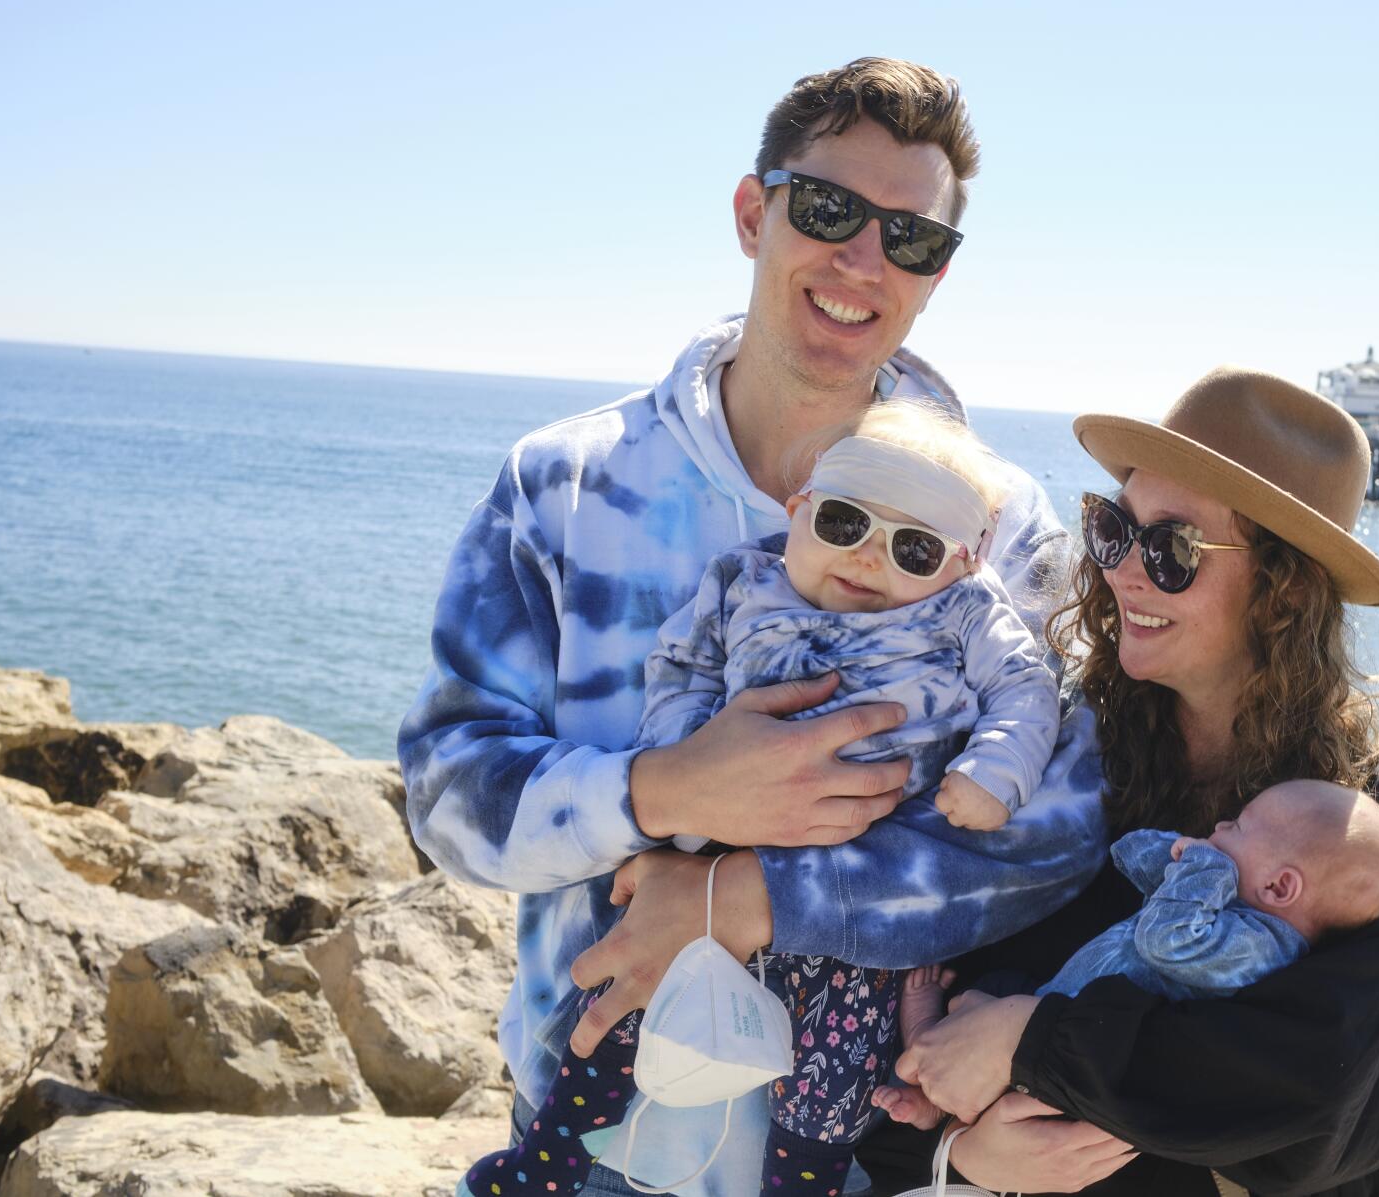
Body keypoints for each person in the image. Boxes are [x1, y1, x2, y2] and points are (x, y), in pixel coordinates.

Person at [399, 57, 1105, 1196]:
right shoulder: (564, 485)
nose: (861, 260)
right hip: (583, 1145)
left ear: (935, 272)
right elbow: (442, 795)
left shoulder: (1000, 524)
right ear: (750, 212)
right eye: (827, 210)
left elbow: (1058, 833)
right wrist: (665, 791)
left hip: (868, 1160)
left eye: (910, 239)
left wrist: (757, 897)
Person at [862, 366, 1379, 1196]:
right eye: (1114, 529)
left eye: (1172, 548)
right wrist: (960, 1157)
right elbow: (895, 1034)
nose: (1122, 572)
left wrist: (1030, 1040)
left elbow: (1324, 1105)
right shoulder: (1048, 768)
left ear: (1285, 591)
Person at [456, 399, 1064, 1197]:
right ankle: (552, 1157)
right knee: (627, 1002)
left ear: (959, 565)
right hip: (713, 854)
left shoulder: (965, 613)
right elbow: (683, 665)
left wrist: (993, 770)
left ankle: (800, 1186)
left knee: (836, 1066)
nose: (870, 558)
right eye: (844, 522)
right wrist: (681, 766)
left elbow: (1026, 686)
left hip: (860, 897)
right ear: (799, 511)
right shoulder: (746, 581)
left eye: (912, 548)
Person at [880, 779, 1379, 1133]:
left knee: (987, 1050)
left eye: (1238, 827)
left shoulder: (1259, 950)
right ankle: (935, 1086)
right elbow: (1127, 854)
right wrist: (1181, 852)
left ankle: (926, 1064)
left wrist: (1205, 868)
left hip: (1065, 1062)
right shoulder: (1219, 900)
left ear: (1280, 886)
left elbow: (1166, 941)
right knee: (994, 985)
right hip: (1046, 1007)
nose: (1220, 827)